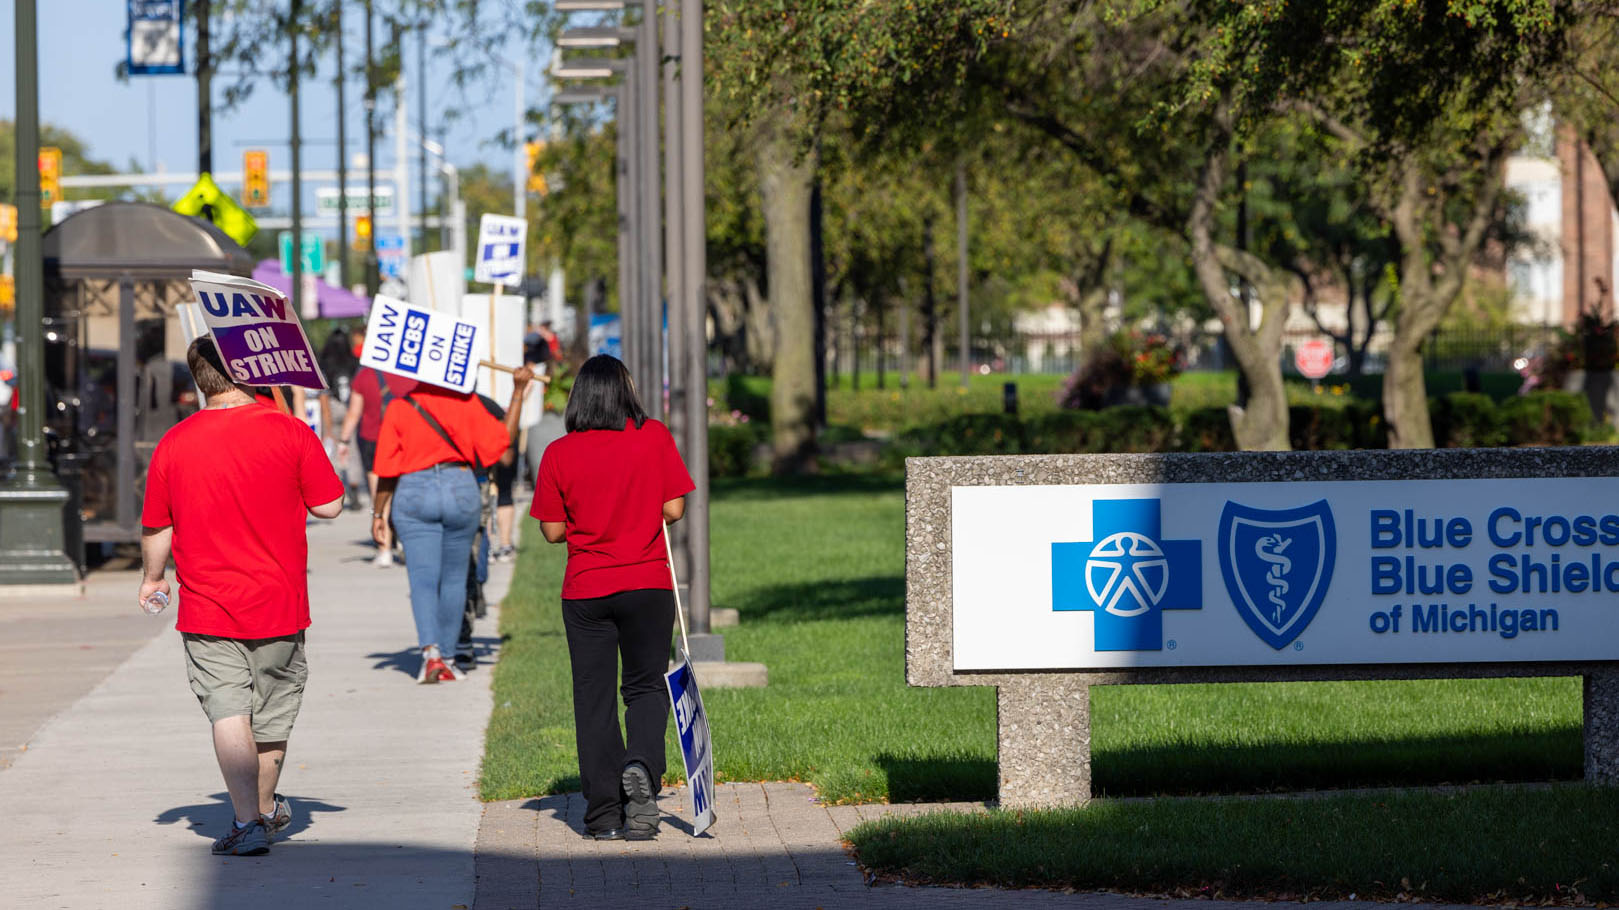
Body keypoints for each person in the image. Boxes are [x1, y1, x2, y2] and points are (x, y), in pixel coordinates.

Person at [137, 337, 345, 857]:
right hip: (279, 601)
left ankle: (248, 819)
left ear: (198, 380)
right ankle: (266, 806)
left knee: (228, 712)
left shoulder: (175, 442)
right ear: (252, 369)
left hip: (207, 605)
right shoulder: (290, 431)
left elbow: (157, 525)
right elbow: (332, 506)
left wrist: (153, 577)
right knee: (271, 716)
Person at [532, 355, 694, 841]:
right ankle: (642, 765)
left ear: (579, 397)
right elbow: (674, 507)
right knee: (645, 687)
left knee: (593, 698)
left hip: (586, 589)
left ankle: (603, 815)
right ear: (625, 392)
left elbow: (553, 532)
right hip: (647, 583)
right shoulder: (654, 436)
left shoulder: (559, 453)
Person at [371, 368, 536, 683]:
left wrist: (378, 514)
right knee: (454, 580)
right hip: (460, 484)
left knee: (422, 580)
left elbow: (387, 471)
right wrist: (517, 392)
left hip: (414, 488)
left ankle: (431, 655)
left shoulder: (399, 406)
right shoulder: (467, 402)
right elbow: (502, 441)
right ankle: (449, 657)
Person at [337, 353, 419, 566]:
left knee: (379, 495)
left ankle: (384, 550)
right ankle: (405, 542)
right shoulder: (410, 374)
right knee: (404, 493)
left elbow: (354, 413)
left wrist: (343, 441)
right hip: (404, 440)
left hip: (373, 440)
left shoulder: (364, 376)